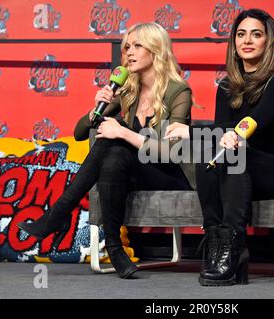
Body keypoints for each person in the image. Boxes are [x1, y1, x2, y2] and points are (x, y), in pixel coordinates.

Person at [18, 22, 195, 279]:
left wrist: (123, 131)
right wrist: (97, 108)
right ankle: (114, 246)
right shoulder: (127, 90)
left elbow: (170, 153)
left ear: (156, 50)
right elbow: (80, 133)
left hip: (170, 174)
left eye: (137, 46)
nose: (129, 53)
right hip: (133, 173)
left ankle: (58, 216)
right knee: (112, 154)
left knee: (116, 135)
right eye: (126, 47)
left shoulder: (179, 92)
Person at [164, 9, 274, 286]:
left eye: (256, 34)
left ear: (268, 41)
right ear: (234, 43)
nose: (247, 40)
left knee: (233, 152)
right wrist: (214, 139)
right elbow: (222, 137)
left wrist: (193, 131)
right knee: (211, 156)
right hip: (250, 167)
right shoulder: (226, 87)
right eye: (241, 34)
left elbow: (254, 122)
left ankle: (234, 244)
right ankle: (217, 244)